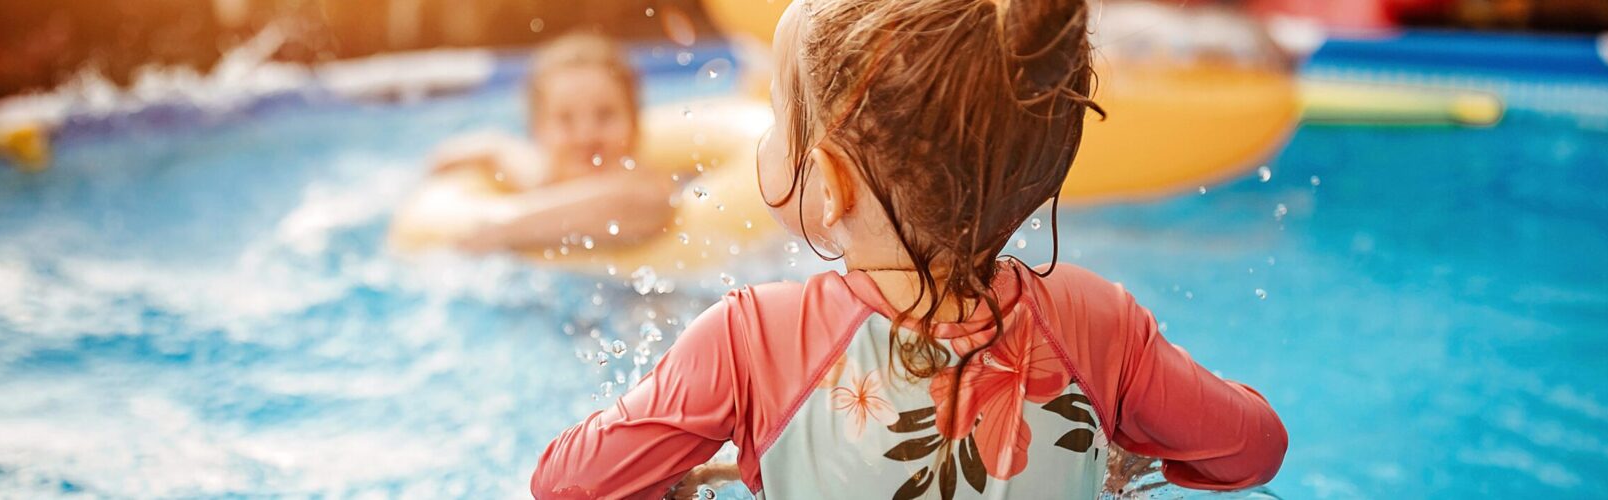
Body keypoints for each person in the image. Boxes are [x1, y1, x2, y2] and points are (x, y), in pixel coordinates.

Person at [530, 0, 1287, 497]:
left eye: (775, 119)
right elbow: (1252, 449)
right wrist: (1132, 447)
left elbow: (564, 485)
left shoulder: (749, 340)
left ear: (826, 182)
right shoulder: (1098, 324)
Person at [390, 32, 675, 254]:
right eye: (565, 119)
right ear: (538, 130)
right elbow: (493, 147)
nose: (586, 135)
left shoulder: (643, 184)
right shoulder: (538, 175)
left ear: (635, 123)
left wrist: (504, 229)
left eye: (606, 115)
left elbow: (634, 205)